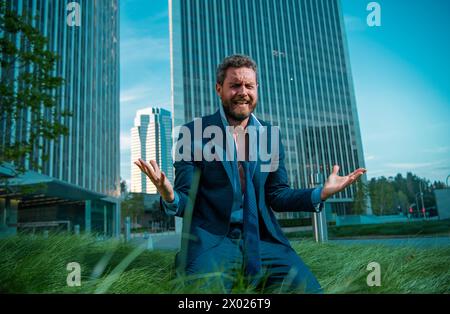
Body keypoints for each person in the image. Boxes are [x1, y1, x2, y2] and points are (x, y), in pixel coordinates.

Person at [134, 54, 366, 293]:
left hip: (264, 241)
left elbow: (278, 195)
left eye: (249, 86)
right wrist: (170, 196)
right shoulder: (192, 133)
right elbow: (186, 201)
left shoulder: (269, 135)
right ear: (219, 89)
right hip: (214, 241)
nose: (242, 91)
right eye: (234, 85)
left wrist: (320, 193)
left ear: (257, 90)